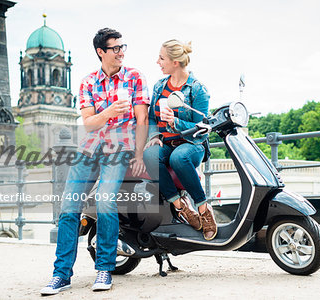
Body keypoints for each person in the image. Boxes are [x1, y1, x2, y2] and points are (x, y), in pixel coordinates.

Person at [41, 28, 149, 295]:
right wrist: (110, 111)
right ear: (101, 52)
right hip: (89, 149)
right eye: (115, 48)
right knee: (68, 208)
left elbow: (142, 120)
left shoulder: (135, 77)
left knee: (104, 199)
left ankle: (104, 269)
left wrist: (138, 154)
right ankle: (61, 274)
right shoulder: (88, 81)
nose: (121, 52)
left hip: (119, 149)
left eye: (123, 47)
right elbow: (89, 125)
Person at [143, 39, 217, 240]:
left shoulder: (198, 89)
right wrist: (154, 135)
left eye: (161, 58)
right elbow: (151, 117)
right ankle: (181, 206)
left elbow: (200, 129)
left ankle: (203, 208)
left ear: (175, 62)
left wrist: (175, 122)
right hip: (166, 143)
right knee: (149, 155)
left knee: (178, 158)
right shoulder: (159, 86)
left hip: (192, 145)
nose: (157, 61)